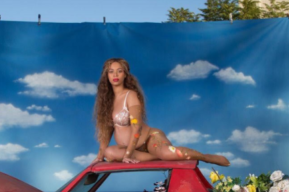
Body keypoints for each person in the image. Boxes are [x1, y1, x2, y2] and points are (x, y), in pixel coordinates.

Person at [93, 58, 230, 166]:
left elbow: (137, 126)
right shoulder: (107, 101)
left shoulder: (131, 95)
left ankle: (206, 157)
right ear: (107, 75)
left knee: (166, 154)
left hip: (149, 139)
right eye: (111, 71)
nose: (115, 75)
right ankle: (155, 157)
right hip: (134, 150)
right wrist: (99, 156)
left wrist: (128, 154)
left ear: (125, 75)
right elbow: (107, 130)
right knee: (109, 153)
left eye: (119, 71)